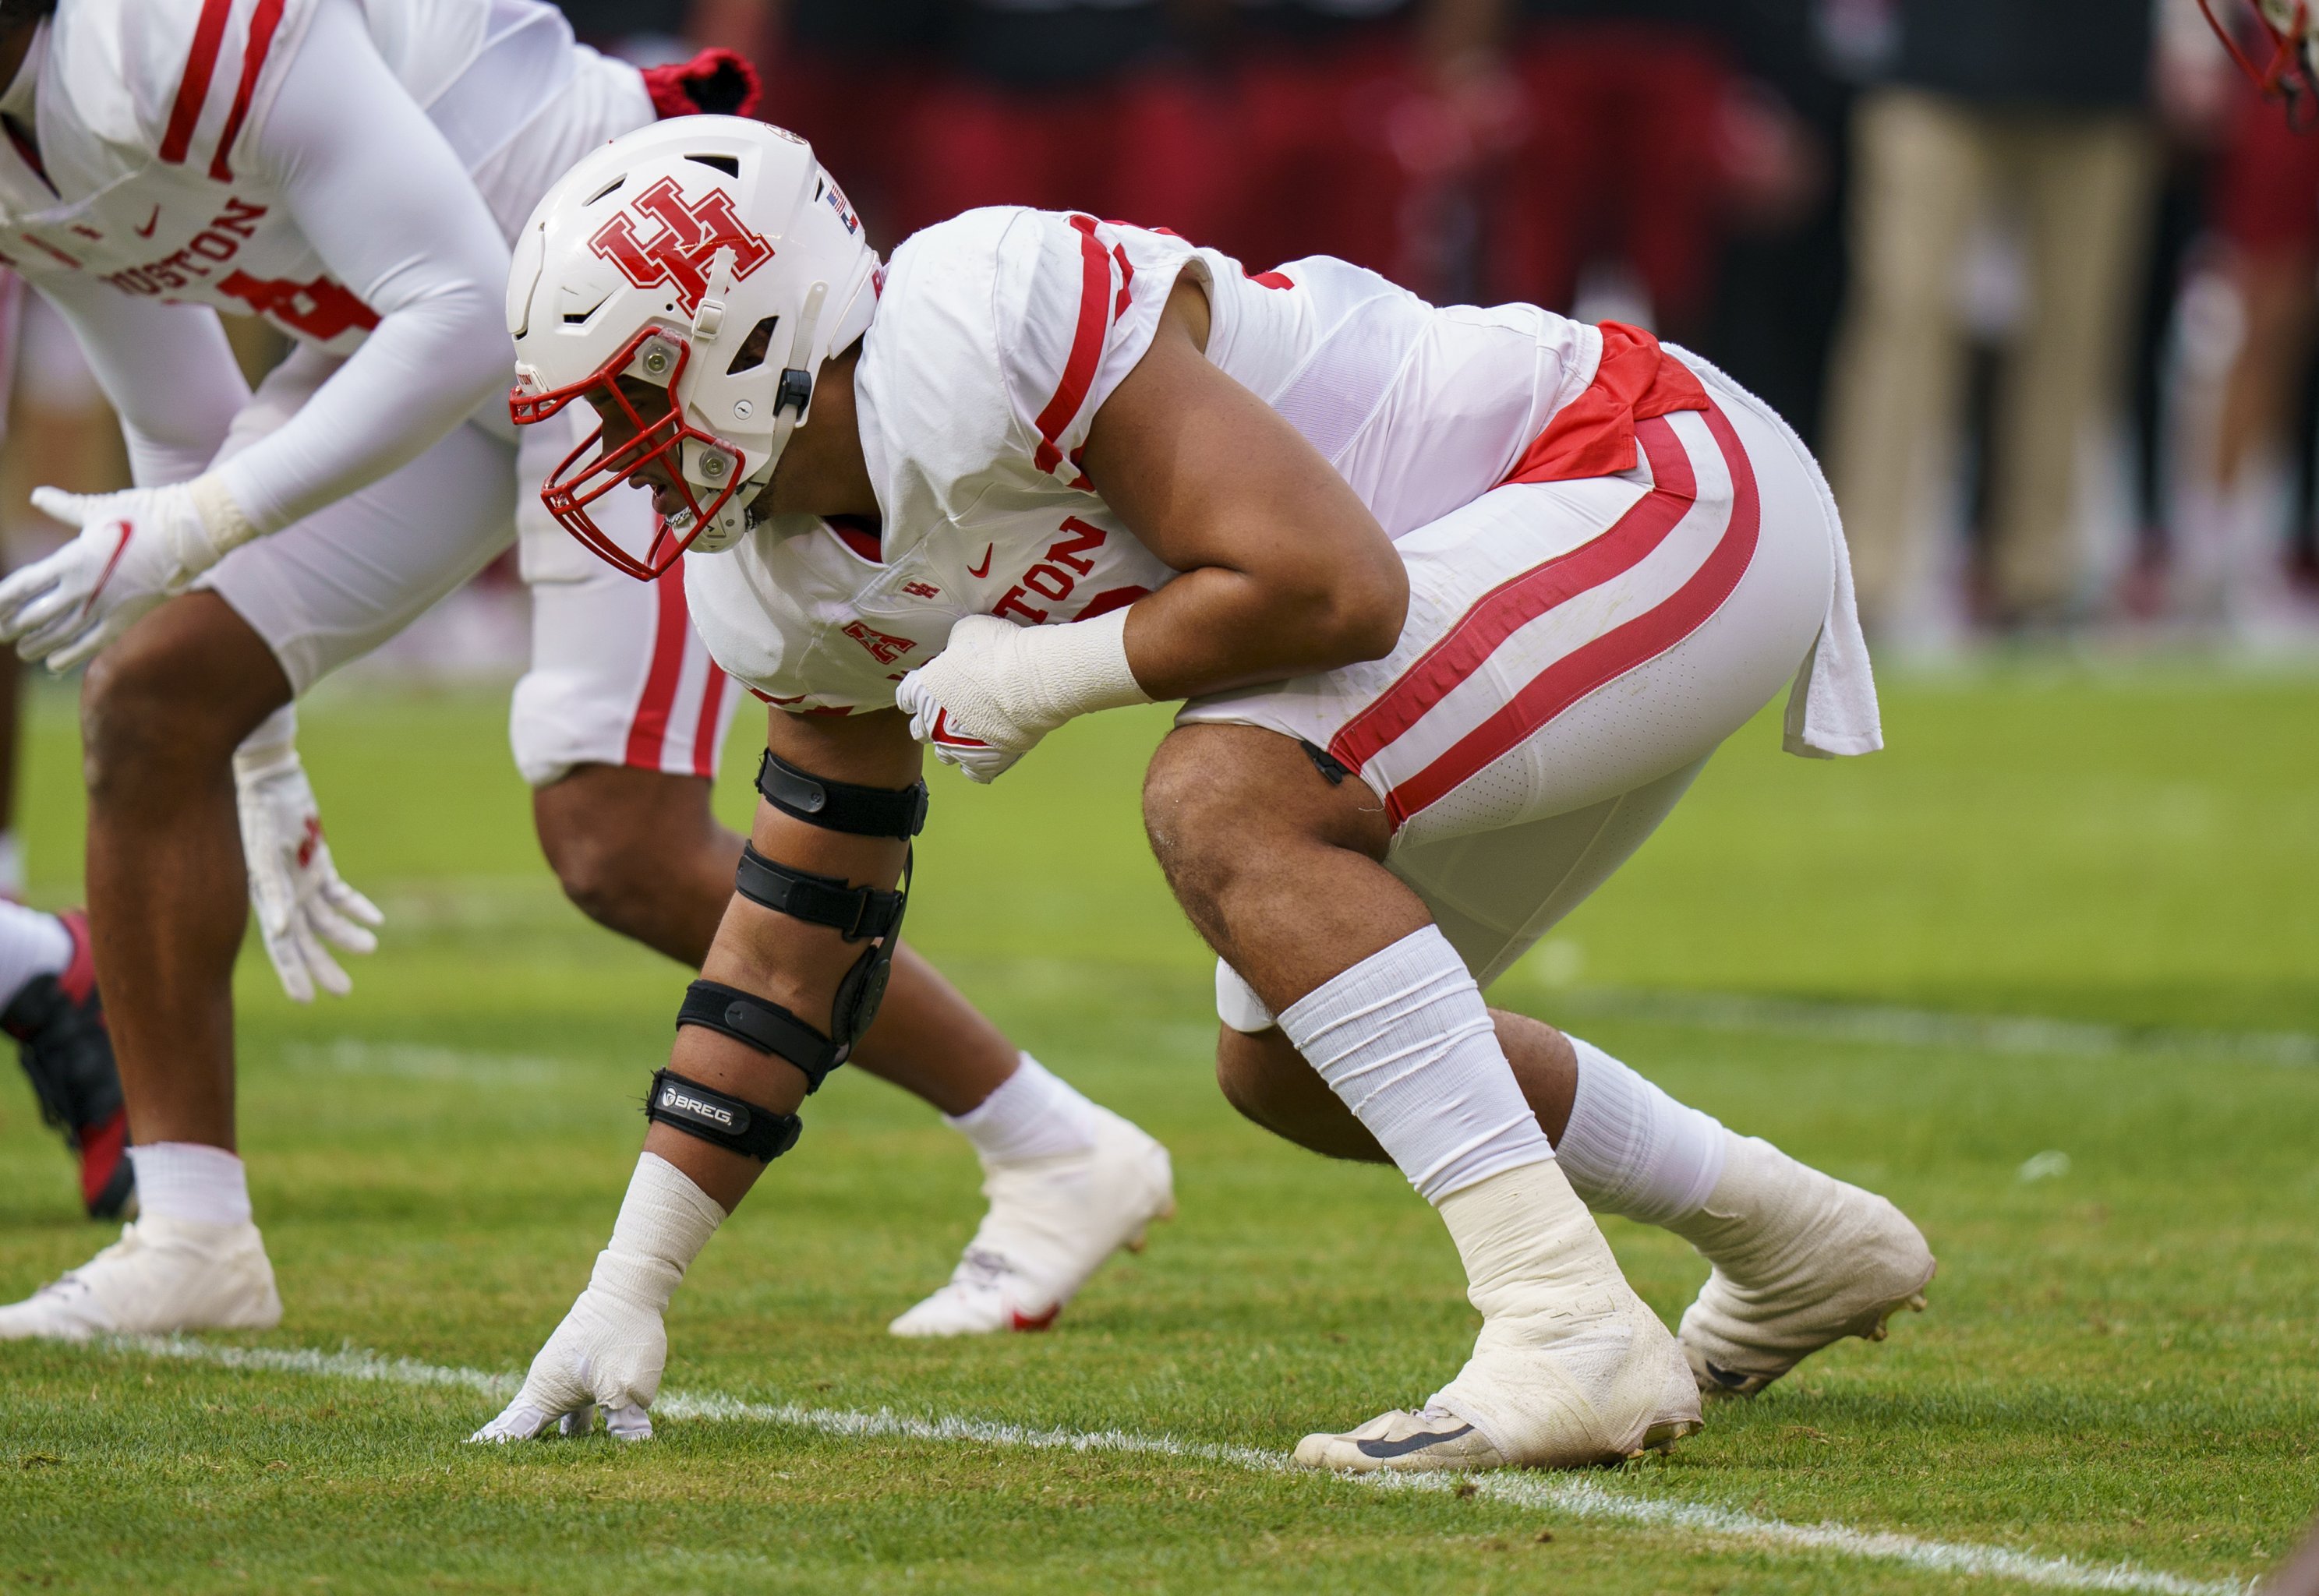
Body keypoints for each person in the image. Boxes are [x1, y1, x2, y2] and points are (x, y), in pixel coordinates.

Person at [472, 116, 1934, 1467]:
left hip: (1648, 476)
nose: (616, 455)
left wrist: (1049, 673)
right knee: (1292, 1061)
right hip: (1528, 583)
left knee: (1222, 796)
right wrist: (633, 1278)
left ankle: (1566, 1322)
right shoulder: (776, 588)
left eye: (636, 396)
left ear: (752, 337)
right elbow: (792, 940)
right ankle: (1788, 1235)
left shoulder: (976, 317)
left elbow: (1333, 589)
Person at [0, 0, 1169, 1344]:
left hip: (641, 324)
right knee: (152, 699)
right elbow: (181, 420)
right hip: (441, 356)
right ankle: (190, 1232)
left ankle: (1053, 1145)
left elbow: (444, 310)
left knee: (619, 841)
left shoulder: (162, 36)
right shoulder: (25, 135)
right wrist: (251, 743)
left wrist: (206, 524)